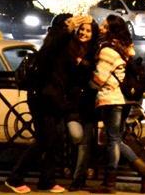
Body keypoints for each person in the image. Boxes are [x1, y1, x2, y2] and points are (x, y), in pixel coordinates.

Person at [5, 13, 72, 194]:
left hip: (55, 99)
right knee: (44, 140)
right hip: (43, 99)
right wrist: (68, 31)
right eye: (67, 24)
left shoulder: (63, 46)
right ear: (59, 28)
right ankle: (15, 177)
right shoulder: (51, 45)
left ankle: (47, 180)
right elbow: (53, 49)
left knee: (54, 140)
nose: (72, 27)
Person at [91, 15, 145, 194]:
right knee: (115, 139)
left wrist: (87, 85)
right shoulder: (124, 48)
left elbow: (99, 78)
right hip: (124, 99)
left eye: (104, 26)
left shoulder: (107, 51)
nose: (100, 28)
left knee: (112, 140)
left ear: (111, 30)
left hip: (111, 98)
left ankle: (110, 183)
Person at [60, 15, 97, 192]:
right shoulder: (70, 48)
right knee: (76, 136)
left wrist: (82, 63)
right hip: (72, 103)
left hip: (89, 103)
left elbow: (94, 73)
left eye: (88, 30)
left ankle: (78, 179)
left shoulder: (96, 51)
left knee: (84, 144)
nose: (84, 32)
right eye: (82, 29)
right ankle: (74, 169)